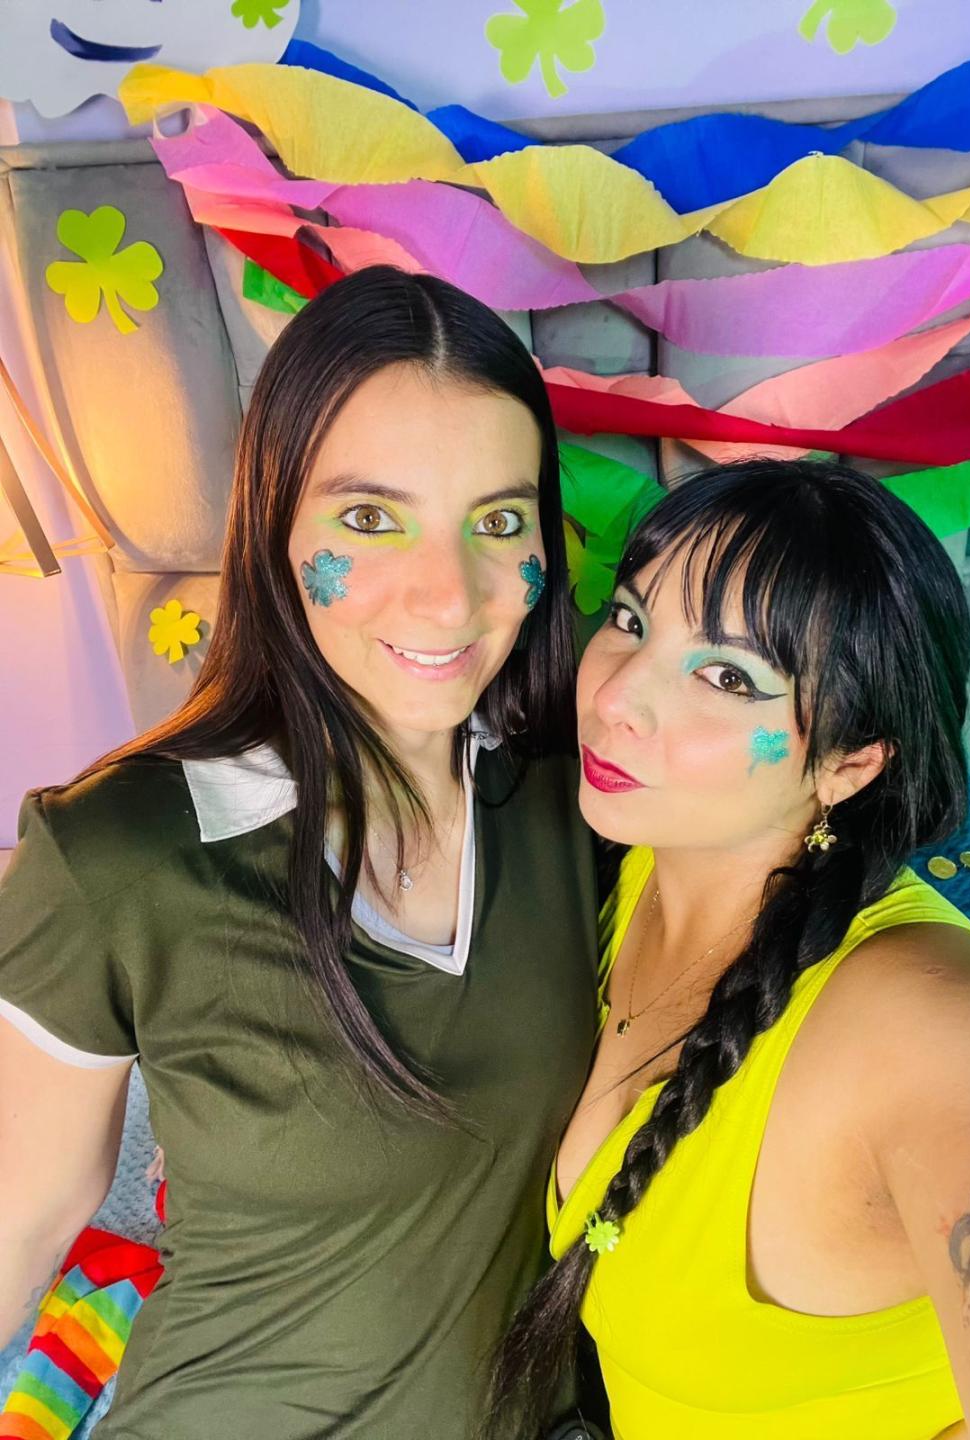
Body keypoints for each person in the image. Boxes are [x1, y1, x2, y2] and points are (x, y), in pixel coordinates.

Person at [0, 267, 601, 1440]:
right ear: (274, 527)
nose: (448, 599)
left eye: (498, 521)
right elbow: (18, 1225)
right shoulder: (120, 855)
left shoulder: (581, 810)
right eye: (370, 519)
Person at [486, 460, 970, 1440]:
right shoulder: (630, 857)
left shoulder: (930, 1024)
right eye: (631, 620)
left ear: (850, 763)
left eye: (726, 677)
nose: (619, 694)